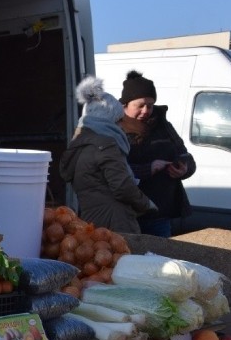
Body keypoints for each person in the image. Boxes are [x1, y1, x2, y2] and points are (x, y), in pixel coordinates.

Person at [59, 76, 156, 233]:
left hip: (90, 218)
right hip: (115, 222)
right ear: (109, 120)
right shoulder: (105, 145)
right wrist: (147, 204)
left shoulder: (80, 144)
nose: (121, 126)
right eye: (118, 120)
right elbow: (122, 187)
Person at [118, 70, 196, 238]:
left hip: (159, 215)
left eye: (150, 105)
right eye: (140, 105)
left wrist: (184, 168)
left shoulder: (163, 125)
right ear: (125, 104)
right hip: (128, 214)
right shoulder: (114, 128)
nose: (146, 110)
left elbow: (185, 155)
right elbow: (112, 169)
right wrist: (148, 169)